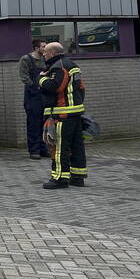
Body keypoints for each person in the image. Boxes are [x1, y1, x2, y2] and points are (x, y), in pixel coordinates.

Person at [38, 41, 86, 189]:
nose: (44, 55)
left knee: (58, 147)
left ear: (52, 53)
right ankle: (77, 176)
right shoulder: (72, 65)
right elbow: (82, 88)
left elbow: (55, 87)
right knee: (77, 146)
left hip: (62, 114)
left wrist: (41, 79)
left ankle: (59, 178)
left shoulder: (58, 66)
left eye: (45, 52)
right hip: (75, 112)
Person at [19, 39, 49, 159]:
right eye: (43, 47)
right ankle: (34, 150)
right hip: (32, 96)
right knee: (33, 124)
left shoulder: (45, 59)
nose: (45, 49)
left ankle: (43, 149)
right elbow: (24, 77)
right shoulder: (26, 59)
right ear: (36, 48)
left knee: (44, 122)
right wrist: (35, 85)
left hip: (44, 95)